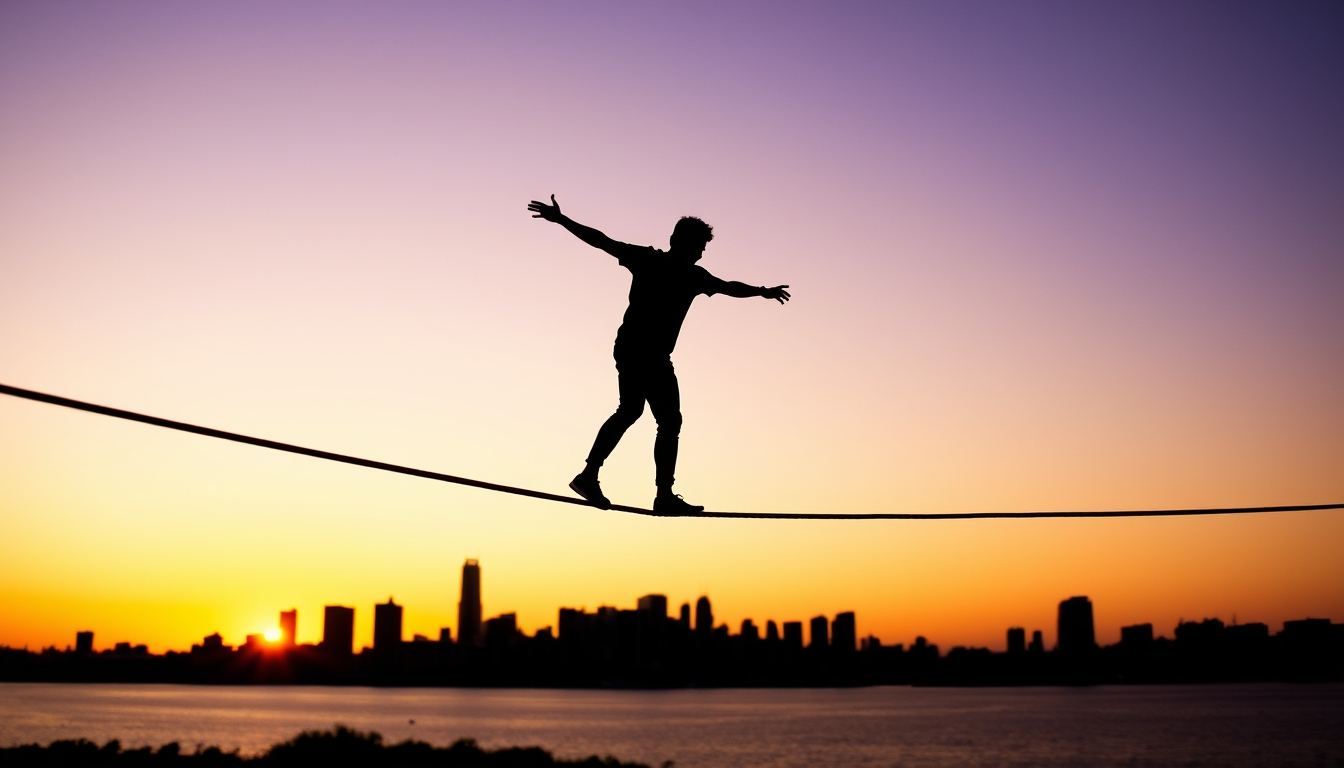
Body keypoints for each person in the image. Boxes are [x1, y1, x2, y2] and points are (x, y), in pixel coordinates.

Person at [528, 195, 790, 515]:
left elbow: (728, 286)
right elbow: (600, 240)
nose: (699, 253)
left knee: (656, 418)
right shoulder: (648, 260)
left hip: (651, 356)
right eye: (697, 247)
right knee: (642, 414)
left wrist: (761, 292)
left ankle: (644, 490)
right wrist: (563, 220)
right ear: (677, 242)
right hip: (637, 351)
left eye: (702, 249)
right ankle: (602, 479)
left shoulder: (693, 276)